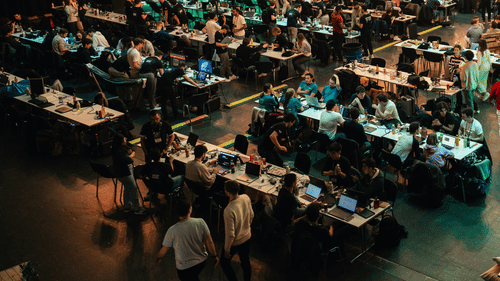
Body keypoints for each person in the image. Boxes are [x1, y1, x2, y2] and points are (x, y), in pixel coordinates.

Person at [156, 199, 219, 281]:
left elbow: (164, 250)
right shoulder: (201, 222)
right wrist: (214, 256)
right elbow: (209, 242)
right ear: (190, 210)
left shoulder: (172, 230)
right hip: (201, 262)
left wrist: (158, 257)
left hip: (184, 268)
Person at [220, 180, 254, 281]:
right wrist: (246, 228)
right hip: (247, 236)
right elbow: (252, 215)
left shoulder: (228, 210)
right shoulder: (245, 197)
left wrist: (227, 249)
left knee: (224, 263)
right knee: (245, 261)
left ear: (227, 192)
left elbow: (230, 234)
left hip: (236, 242)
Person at [111, 133, 146, 214]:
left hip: (120, 172)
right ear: (120, 142)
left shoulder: (116, 148)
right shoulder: (119, 152)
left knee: (127, 188)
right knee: (133, 189)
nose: (125, 139)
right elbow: (128, 160)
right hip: (125, 173)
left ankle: (127, 206)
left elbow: (129, 147)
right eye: (124, 139)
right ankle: (137, 208)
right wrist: (132, 155)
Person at [127, 37, 157, 109]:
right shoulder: (136, 53)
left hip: (131, 71)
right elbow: (135, 64)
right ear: (140, 44)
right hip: (136, 72)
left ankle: (142, 104)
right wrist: (142, 69)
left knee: (137, 91)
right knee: (151, 76)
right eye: (142, 45)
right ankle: (152, 101)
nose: (142, 46)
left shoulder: (129, 50)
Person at [459, 50, 479, 114]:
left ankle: (471, 115)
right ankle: (472, 112)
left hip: (467, 86)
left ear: (465, 57)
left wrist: (460, 72)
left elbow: (463, 78)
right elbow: (477, 75)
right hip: (474, 85)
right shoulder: (475, 64)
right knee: (471, 100)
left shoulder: (465, 66)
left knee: (469, 102)